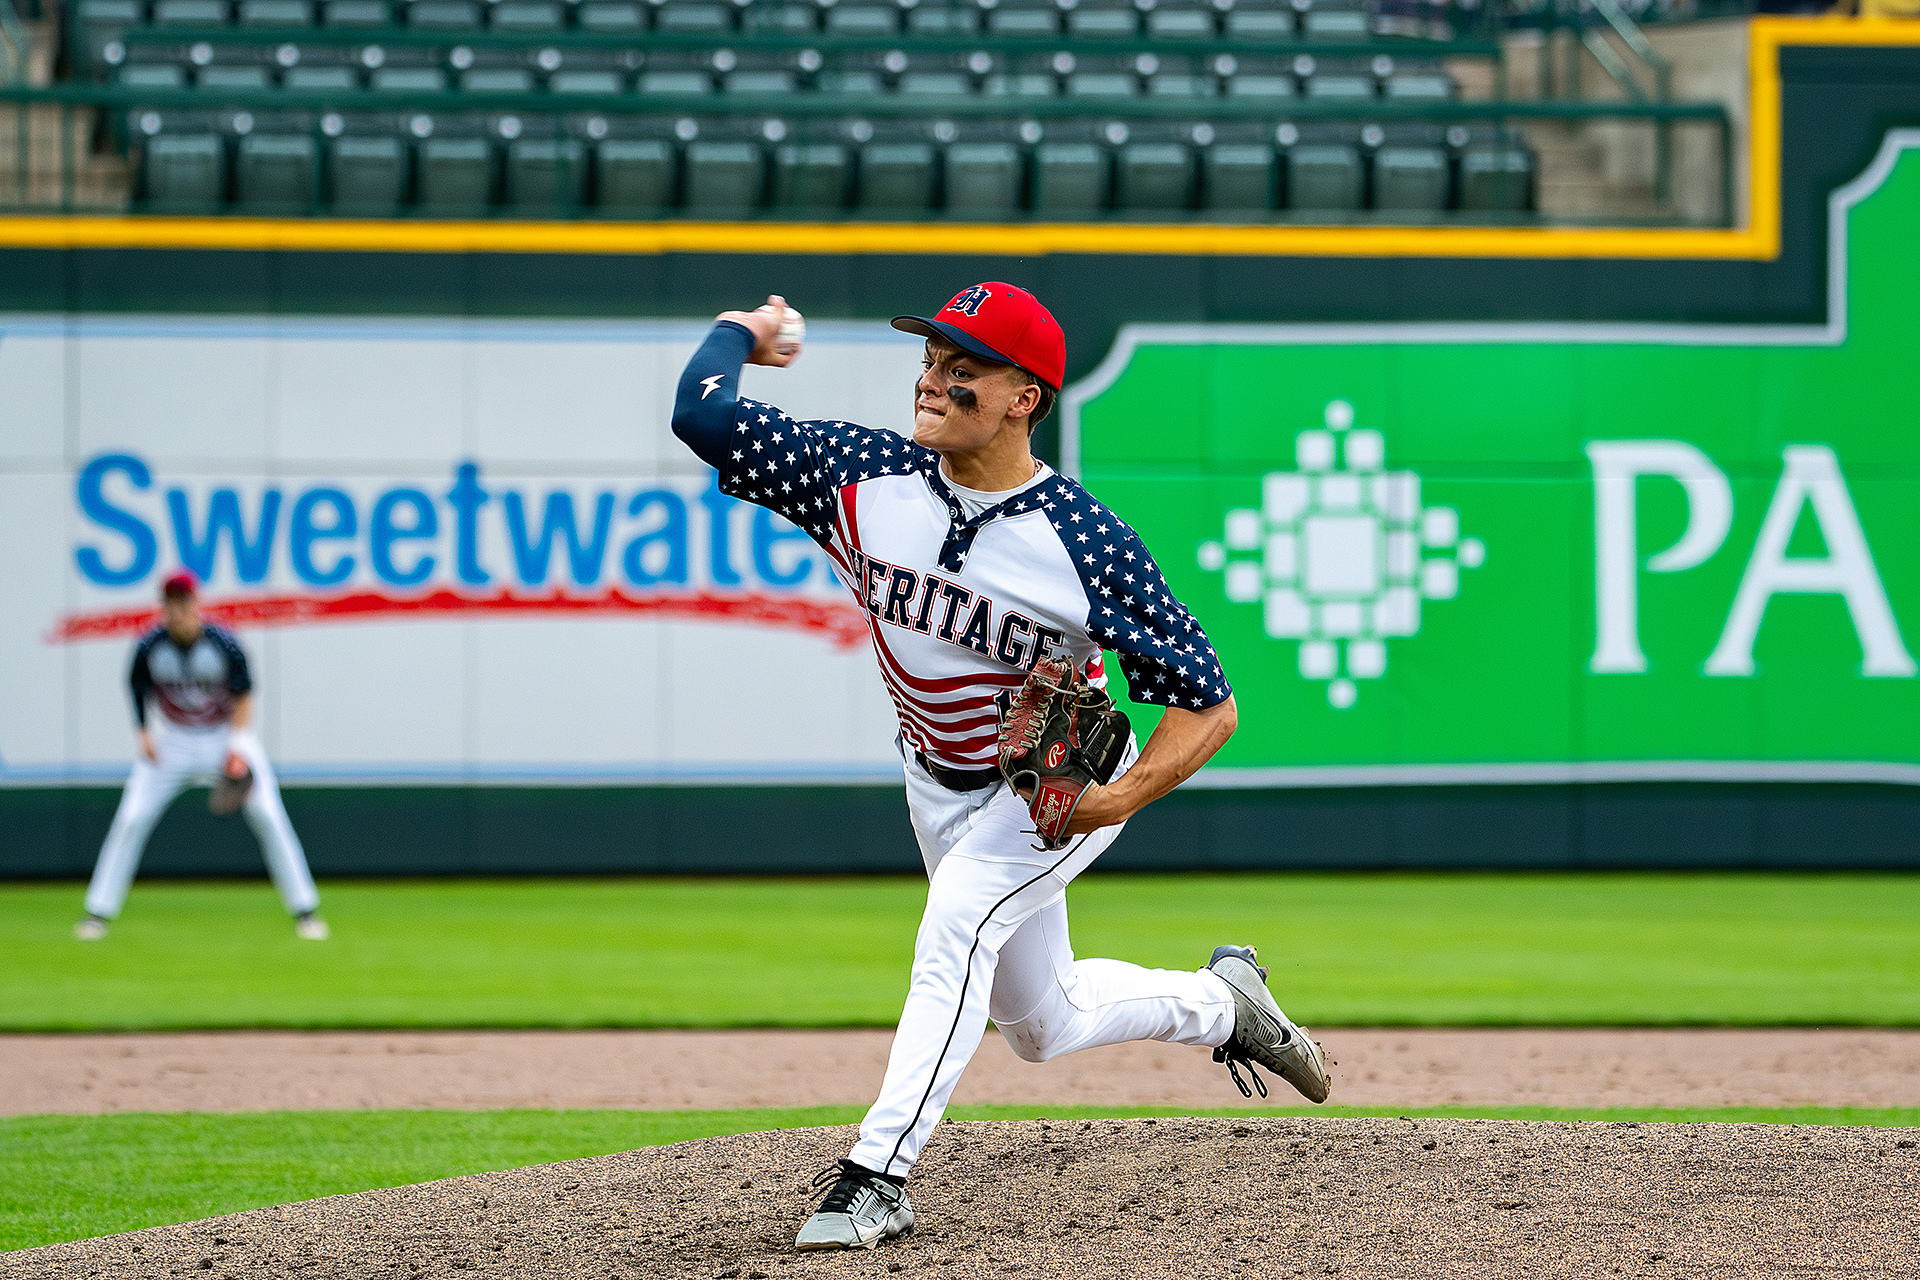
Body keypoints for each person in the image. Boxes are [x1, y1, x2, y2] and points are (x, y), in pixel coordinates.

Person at [670, 284, 1331, 1252]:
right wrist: (743, 330)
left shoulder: (1087, 543)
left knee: (955, 924)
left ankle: (876, 1176)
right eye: (931, 361)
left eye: (962, 369)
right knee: (1042, 1021)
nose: (932, 382)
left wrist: (1115, 798)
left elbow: (1206, 703)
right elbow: (704, 412)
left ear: (1025, 395)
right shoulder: (855, 473)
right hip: (934, 779)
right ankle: (1221, 1001)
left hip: (1043, 797)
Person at [75, 571, 328, 942]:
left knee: (268, 815)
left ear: (196, 603)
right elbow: (137, 687)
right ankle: (98, 912)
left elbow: (244, 696)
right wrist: (143, 731)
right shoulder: (149, 646)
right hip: (173, 741)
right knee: (131, 818)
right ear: (162, 606)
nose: (176, 610)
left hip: (224, 736)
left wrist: (238, 746)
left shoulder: (223, 642)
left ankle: (305, 911)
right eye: (170, 602)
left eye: (183, 601)